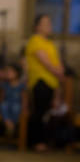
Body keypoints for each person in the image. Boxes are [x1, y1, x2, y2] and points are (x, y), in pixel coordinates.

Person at [25, 14, 64, 151]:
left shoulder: (50, 44)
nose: (48, 25)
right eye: (45, 23)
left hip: (52, 83)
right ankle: (35, 142)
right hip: (40, 82)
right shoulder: (35, 41)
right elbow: (46, 62)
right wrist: (57, 71)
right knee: (39, 112)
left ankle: (44, 141)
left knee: (47, 113)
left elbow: (57, 62)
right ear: (37, 27)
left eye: (49, 22)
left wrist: (60, 71)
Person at [0, 63, 26, 137]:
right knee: (3, 106)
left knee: (16, 107)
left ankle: (12, 125)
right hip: (7, 103)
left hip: (17, 103)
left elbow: (24, 98)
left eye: (10, 72)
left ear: (17, 73)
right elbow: (1, 97)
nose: (8, 73)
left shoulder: (21, 86)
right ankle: (9, 124)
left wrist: (25, 108)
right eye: (7, 72)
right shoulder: (5, 85)